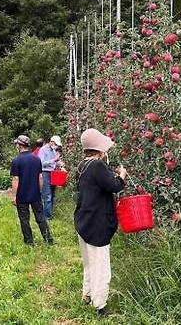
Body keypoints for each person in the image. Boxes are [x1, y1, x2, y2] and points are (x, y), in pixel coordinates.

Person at [74, 128, 126, 318]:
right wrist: (121, 175)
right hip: (97, 222)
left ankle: (87, 294)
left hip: (84, 219)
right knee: (101, 266)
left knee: (89, 262)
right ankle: (100, 305)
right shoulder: (97, 166)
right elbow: (114, 186)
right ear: (99, 148)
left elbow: (96, 186)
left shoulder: (82, 165)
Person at [10, 135, 53, 246]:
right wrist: (38, 191)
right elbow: (40, 177)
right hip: (35, 194)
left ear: (19, 146)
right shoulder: (36, 159)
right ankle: (48, 240)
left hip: (21, 195)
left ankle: (29, 242)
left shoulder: (16, 161)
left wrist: (14, 196)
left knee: (24, 219)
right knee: (40, 217)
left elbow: (15, 179)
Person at [38, 135, 62, 219]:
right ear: (51, 142)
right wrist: (54, 160)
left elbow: (53, 162)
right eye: (56, 144)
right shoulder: (43, 150)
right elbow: (41, 163)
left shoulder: (54, 151)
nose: (56, 146)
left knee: (52, 194)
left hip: (52, 173)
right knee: (47, 195)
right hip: (45, 173)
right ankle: (47, 217)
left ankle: (49, 213)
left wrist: (58, 163)